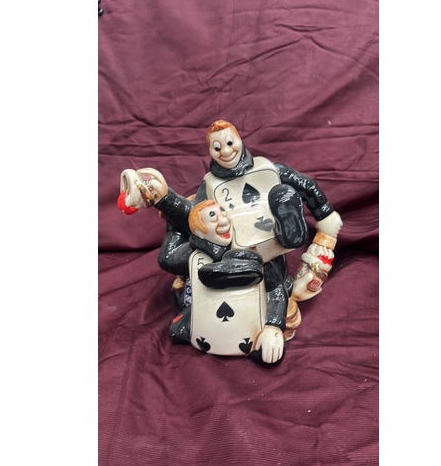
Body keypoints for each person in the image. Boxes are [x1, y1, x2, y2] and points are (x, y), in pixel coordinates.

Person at [118, 120, 343, 343]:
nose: (225, 152)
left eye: (229, 143)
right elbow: (193, 215)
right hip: (229, 252)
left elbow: (306, 185)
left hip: (269, 246)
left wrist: (325, 215)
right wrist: (163, 199)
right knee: (201, 250)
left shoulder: (269, 170)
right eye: (217, 148)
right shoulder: (210, 186)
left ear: (238, 140)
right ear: (210, 151)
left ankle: (290, 229)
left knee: (272, 267)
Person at [166, 200, 285, 365]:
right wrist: (173, 223)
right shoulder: (192, 256)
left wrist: (273, 326)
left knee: (268, 354)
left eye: (223, 211)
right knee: (178, 331)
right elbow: (167, 259)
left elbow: (275, 289)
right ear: (198, 230)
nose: (223, 220)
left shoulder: (253, 247)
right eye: (213, 216)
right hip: (203, 322)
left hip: (251, 323)